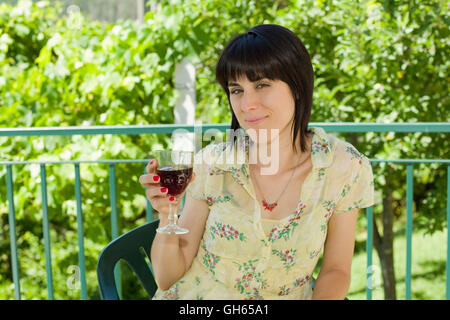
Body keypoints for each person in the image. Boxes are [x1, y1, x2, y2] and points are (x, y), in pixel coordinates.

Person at [139, 24, 374, 300]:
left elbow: (336, 270)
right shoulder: (213, 165)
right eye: (236, 90)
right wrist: (168, 213)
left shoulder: (342, 167)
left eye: (262, 85)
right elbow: (167, 277)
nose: (247, 104)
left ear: (297, 87)